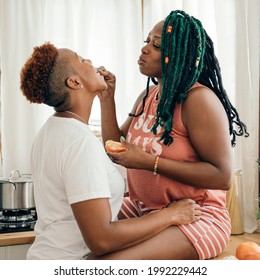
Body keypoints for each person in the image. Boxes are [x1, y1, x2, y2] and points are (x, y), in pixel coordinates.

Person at [20, 42, 201, 260]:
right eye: (81, 59)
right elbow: (102, 240)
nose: (89, 61)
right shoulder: (80, 142)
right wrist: (170, 215)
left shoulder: (51, 130)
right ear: (75, 82)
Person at [97, 10, 249, 260]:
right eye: (146, 41)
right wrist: (107, 99)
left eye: (156, 45)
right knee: (82, 236)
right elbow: (115, 147)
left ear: (179, 55)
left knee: (110, 264)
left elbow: (222, 177)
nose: (145, 49)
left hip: (197, 215)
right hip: (142, 209)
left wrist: (149, 162)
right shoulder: (148, 96)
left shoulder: (198, 100)